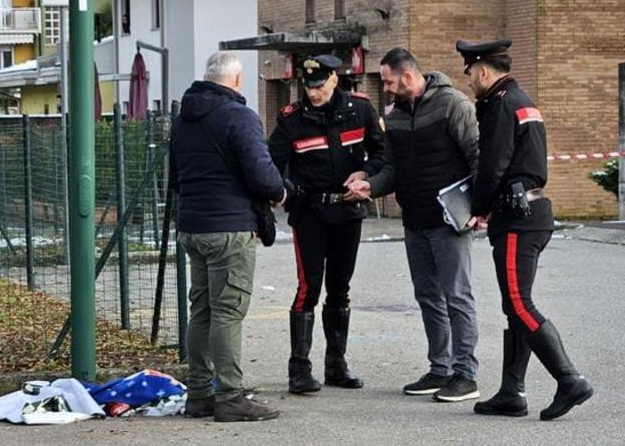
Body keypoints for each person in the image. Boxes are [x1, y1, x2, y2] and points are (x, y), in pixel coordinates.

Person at [455, 39, 594, 420]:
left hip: (519, 217)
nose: (468, 81)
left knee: (518, 302)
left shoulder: (501, 105)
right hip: (529, 211)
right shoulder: (521, 100)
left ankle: (569, 380)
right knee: (514, 304)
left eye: (468, 73)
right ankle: (511, 392)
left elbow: (493, 165)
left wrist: (477, 207)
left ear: (482, 70)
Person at [346, 48, 480, 402]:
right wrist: (369, 186)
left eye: (388, 81)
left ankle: (465, 374)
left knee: (457, 296)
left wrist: (480, 208)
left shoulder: (453, 105)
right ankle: (440, 369)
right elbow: (392, 169)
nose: (385, 88)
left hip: (450, 221)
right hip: (415, 221)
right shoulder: (395, 115)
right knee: (428, 297)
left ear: (407, 76)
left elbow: (477, 155)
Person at [169, 52, 284, 422]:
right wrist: (281, 192)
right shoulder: (239, 116)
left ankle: (199, 394)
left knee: (200, 310)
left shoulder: (183, 120)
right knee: (228, 312)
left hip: (192, 227)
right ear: (236, 80)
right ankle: (231, 397)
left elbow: (173, 178)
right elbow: (263, 177)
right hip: (229, 229)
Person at [268, 54, 385, 395]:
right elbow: (272, 164)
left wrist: (365, 174)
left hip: (348, 213)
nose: (313, 92)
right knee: (309, 289)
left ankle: (337, 365)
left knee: (340, 288)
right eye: (308, 85)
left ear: (334, 80)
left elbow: (381, 154)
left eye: (319, 85)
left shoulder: (361, 110)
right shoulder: (292, 119)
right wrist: (286, 193)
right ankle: (299, 370)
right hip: (310, 215)